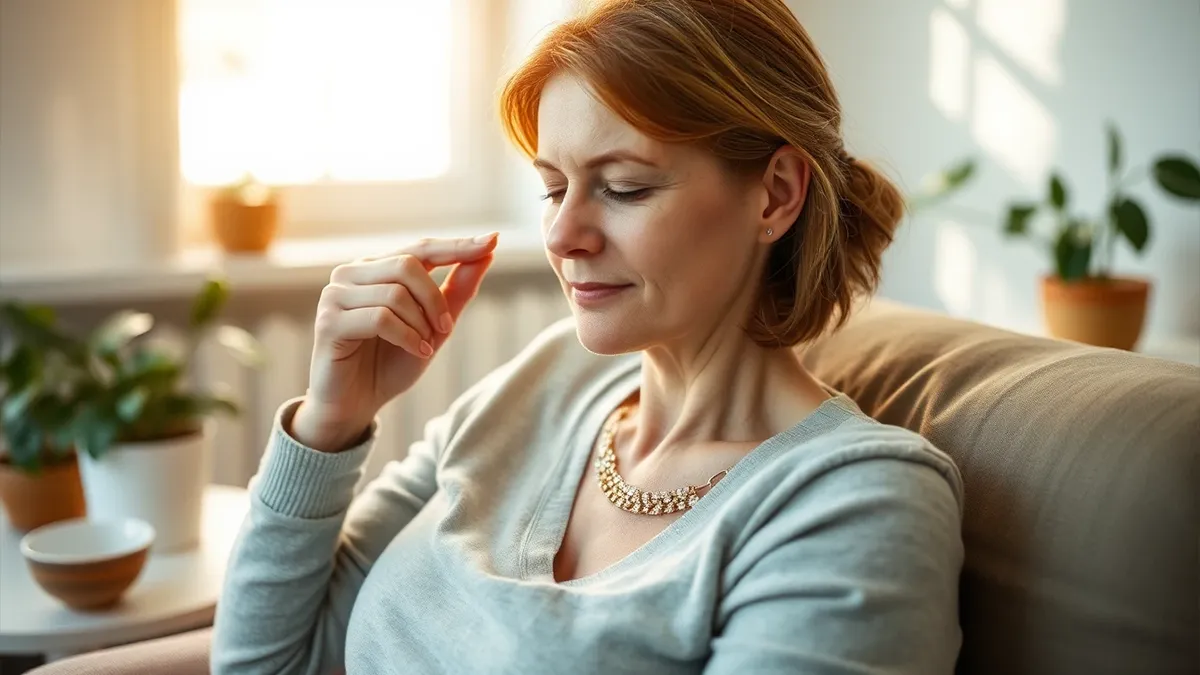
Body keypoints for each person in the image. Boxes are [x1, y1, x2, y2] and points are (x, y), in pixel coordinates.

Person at [211, 0, 965, 673]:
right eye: (551, 187)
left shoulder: (856, 502)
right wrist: (328, 425)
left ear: (775, 194)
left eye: (623, 186)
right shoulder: (542, 378)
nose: (564, 234)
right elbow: (270, 662)